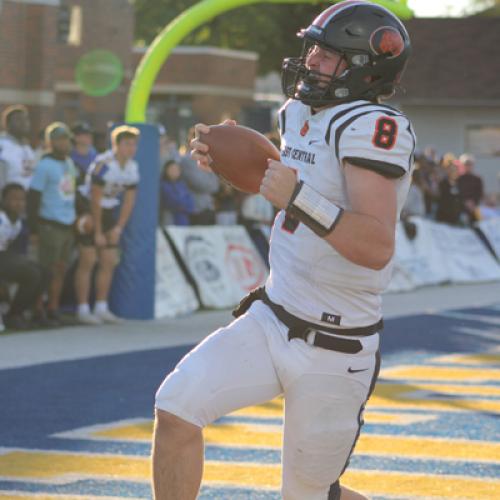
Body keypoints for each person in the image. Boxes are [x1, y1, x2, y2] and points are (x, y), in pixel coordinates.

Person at [152, 2, 415, 500]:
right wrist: (235, 163)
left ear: (364, 67)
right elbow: (284, 188)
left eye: (328, 54)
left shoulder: (376, 128)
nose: (311, 59)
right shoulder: (297, 112)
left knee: (311, 496)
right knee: (176, 407)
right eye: (312, 47)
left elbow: (375, 246)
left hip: (337, 344)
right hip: (274, 316)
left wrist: (297, 196)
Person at [74, 125, 140, 325]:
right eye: (127, 144)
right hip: (89, 209)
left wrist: (118, 228)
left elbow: (129, 200)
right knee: (89, 259)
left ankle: (101, 306)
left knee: (109, 260)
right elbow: (94, 198)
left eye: (134, 144)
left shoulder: (132, 167)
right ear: (116, 145)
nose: (132, 148)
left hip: (109, 211)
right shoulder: (104, 164)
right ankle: (82, 308)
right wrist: (98, 232)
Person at [27, 122, 77, 325]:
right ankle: (38, 309)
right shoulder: (44, 165)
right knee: (45, 269)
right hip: (50, 223)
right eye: (60, 139)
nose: (65, 143)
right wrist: (33, 228)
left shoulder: (70, 163)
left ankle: (53, 307)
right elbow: (33, 197)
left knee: (61, 269)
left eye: (66, 138)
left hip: (67, 223)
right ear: (51, 142)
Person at [0, 183, 49, 330]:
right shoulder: (2, 220)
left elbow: (16, 252)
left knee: (44, 273)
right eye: (14, 199)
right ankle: (13, 315)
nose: (19, 203)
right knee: (31, 273)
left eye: (22, 199)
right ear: (3, 200)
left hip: (5, 255)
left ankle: (16, 312)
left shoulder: (18, 222)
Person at [179, 128, 220, 225]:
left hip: (208, 209)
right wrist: (211, 183)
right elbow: (199, 184)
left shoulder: (208, 159)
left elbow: (216, 186)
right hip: (194, 210)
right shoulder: (186, 160)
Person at [0, 105, 36, 191]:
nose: (24, 122)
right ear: (7, 124)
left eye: (25, 119)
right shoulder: (2, 145)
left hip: (24, 199)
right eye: (18, 119)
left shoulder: (27, 147)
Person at [159, 159, 195, 226]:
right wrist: (184, 204)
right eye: (172, 169)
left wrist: (184, 205)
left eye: (177, 169)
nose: (175, 171)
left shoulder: (182, 185)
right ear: (166, 170)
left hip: (183, 221)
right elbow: (172, 201)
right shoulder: (163, 185)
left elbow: (191, 204)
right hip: (169, 220)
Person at [456, 153, 484, 224]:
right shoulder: (458, 179)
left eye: (470, 164)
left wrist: (473, 203)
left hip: (475, 209)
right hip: (461, 209)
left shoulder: (477, 179)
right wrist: (465, 202)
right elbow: (457, 194)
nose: (468, 166)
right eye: (466, 164)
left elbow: (480, 193)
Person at [436, 161, 464, 225]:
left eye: (455, 170)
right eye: (452, 170)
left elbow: (461, 200)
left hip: (455, 219)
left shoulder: (460, 184)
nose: (454, 172)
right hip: (443, 218)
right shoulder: (443, 184)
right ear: (448, 171)